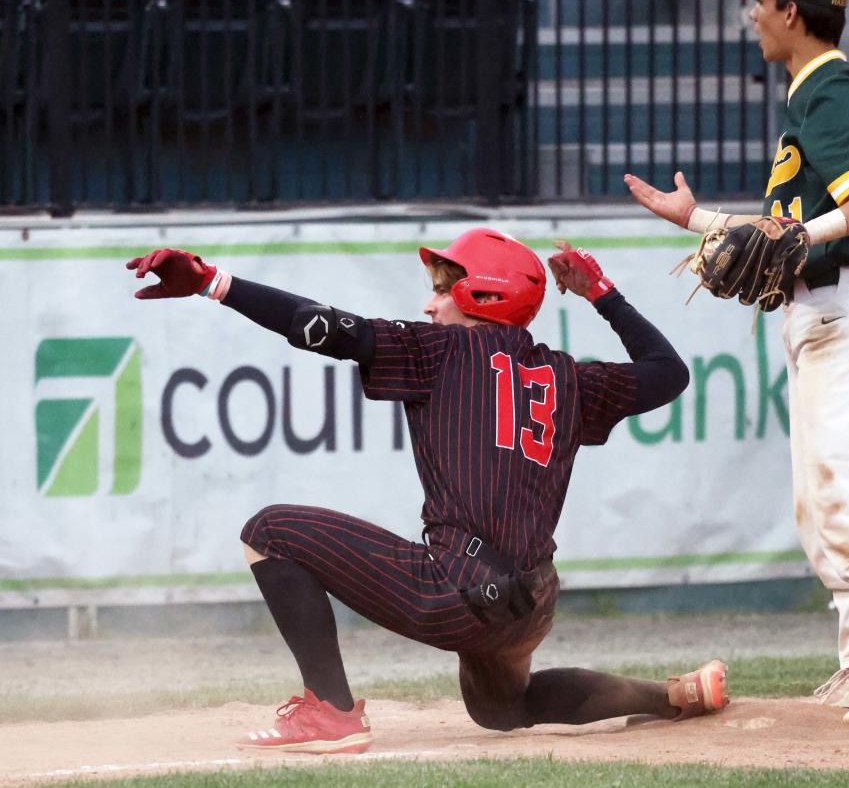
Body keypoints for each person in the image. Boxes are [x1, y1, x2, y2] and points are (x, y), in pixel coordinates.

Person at [126, 228, 728, 753]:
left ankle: (330, 711)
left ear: (483, 294)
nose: (430, 303)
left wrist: (213, 282)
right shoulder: (568, 376)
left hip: (455, 593)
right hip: (532, 603)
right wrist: (602, 294)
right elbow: (667, 373)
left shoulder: (437, 350)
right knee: (500, 709)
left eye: (443, 288)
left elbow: (319, 327)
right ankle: (673, 695)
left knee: (269, 531)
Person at [625, 0, 849, 731]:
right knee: (815, 501)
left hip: (843, 306)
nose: (751, 11)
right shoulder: (809, 94)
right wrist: (694, 219)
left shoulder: (831, 91)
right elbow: (779, 235)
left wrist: (813, 235)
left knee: (841, 490)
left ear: (790, 10)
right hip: (823, 310)